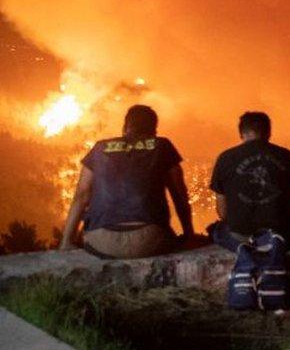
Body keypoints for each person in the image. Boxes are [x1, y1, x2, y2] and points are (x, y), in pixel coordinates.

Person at [59, 105, 193, 258]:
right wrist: (189, 235)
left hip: (102, 241)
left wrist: (66, 241)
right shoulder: (162, 146)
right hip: (149, 240)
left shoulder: (99, 148)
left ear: (125, 127)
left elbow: (81, 196)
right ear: (154, 130)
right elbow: (180, 196)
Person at [208, 112, 290, 251]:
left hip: (240, 234)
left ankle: (244, 250)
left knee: (217, 231)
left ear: (241, 134)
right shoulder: (286, 156)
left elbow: (223, 212)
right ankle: (272, 242)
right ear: (269, 133)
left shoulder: (225, 158)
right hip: (282, 231)